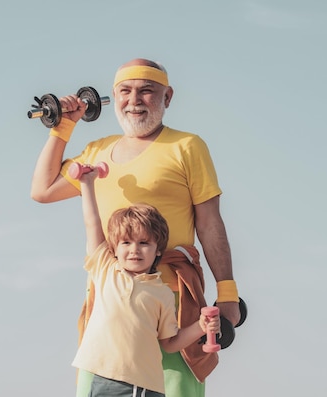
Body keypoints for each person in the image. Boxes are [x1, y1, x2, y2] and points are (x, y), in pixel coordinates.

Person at [31, 58, 241, 397]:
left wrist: (228, 293)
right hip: (111, 304)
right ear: (114, 96)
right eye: (125, 91)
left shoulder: (187, 146)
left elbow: (210, 221)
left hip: (171, 299)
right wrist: (63, 127)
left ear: (167, 97)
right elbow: (42, 190)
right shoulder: (97, 150)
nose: (135, 100)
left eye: (147, 91)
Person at [72, 164, 220, 396]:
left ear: (157, 251)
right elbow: (92, 223)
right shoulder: (105, 269)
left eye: (144, 243)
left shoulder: (161, 293)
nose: (134, 250)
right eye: (126, 243)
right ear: (114, 247)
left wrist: (201, 327)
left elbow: (170, 342)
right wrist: (87, 183)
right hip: (104, 381)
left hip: (146, 386)